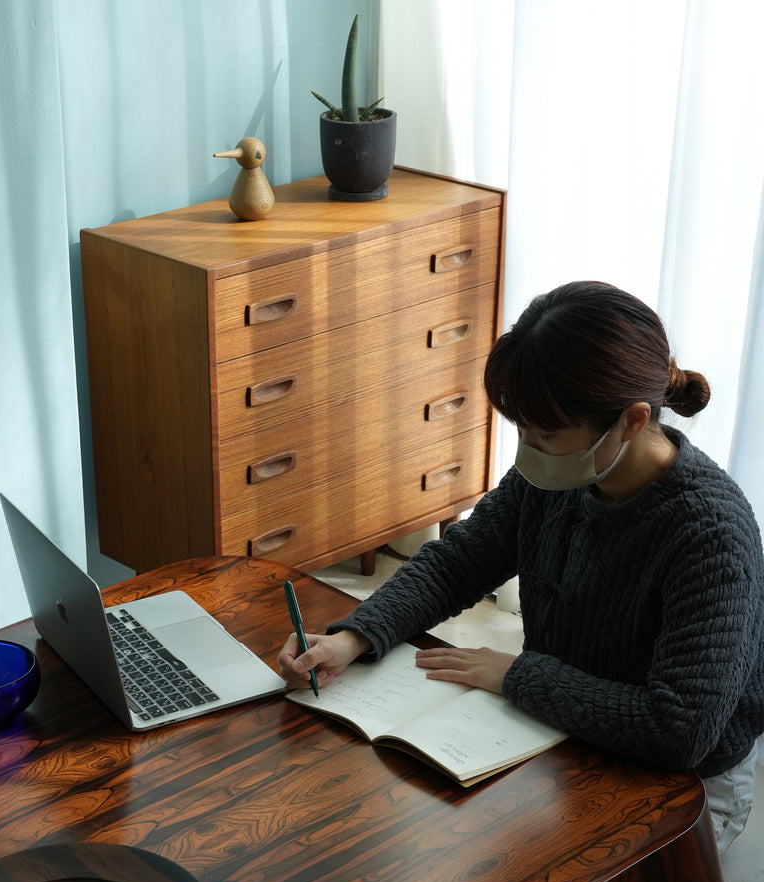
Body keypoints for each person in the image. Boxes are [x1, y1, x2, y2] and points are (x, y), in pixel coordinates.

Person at [279, 280, 764, 851]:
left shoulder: (710, 534)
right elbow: (458, 561)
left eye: (545, 433)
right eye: (521, 427)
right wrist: (356, 636)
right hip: (560, 726)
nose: (526, 447)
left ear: (632, 421)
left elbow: (679, 730)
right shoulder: (566, 470)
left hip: (682, 782)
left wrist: (515, 676)